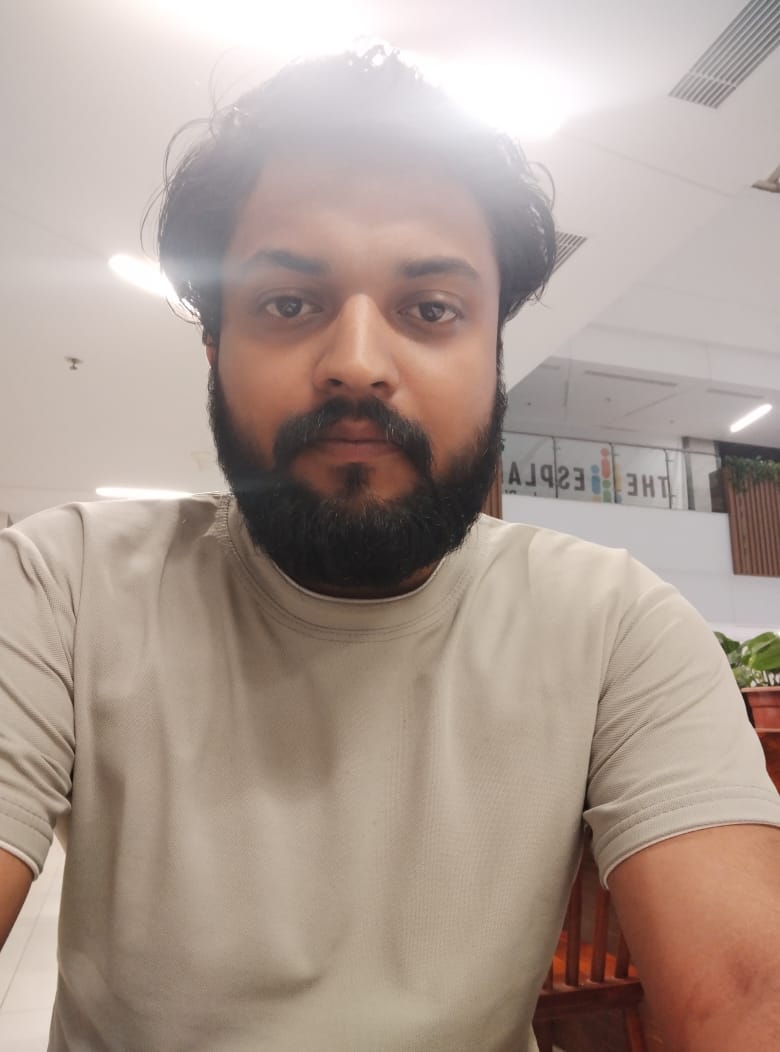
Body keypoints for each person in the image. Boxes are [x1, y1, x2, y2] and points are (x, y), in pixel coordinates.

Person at [1, 46, 779, 1052]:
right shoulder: (61, 582)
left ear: (494, 351)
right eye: (289, 303)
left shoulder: (614, 622)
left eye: (431, 309)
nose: (359, 364)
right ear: (213, 347)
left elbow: (745, 993)